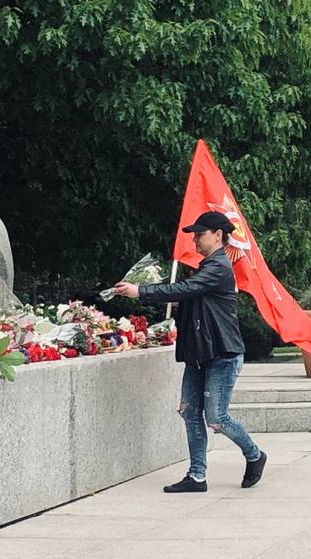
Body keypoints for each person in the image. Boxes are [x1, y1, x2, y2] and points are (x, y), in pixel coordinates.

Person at [114, 211, 266, 493]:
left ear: (218, 235)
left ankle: (255, 455)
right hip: (199, 354)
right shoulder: (207, 266)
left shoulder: (218, 266)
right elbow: (187, 295)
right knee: (190, 412)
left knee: (216, 418)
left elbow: (186, 288)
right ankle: (197, 476)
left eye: (200, 234)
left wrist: (141, 291)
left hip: (222, 353)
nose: (195, 239)